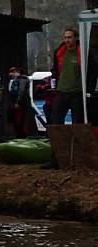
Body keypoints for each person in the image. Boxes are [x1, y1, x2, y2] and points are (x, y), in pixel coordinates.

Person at [43, 27, 84, 169]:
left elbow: (91, 69)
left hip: (77, 93)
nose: (67, 40)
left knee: (77, 125)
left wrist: (88, 88)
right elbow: (55, 69)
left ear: (75, 38)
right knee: (56, 125)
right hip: (62, 92)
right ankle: (56, 160)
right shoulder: (60, 52)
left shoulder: (82, 52)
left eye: (70, 37)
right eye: (65, 37)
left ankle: (77, 160)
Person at [7, 66, 30, 138]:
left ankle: (22, 136)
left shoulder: (22, 79)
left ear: (17, 72)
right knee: (16, 120)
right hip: (15, 103)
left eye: (13, 72)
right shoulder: (15, 80)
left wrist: (17, 102)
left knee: (19, 121)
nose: (11, 74)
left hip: (20, 104)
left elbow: (21, 91)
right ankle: (18, 135)